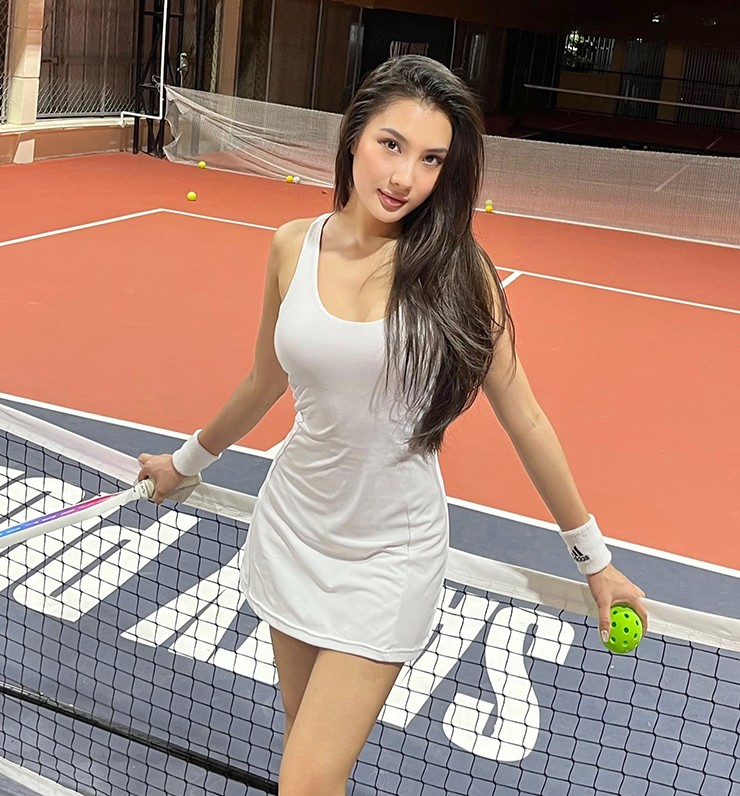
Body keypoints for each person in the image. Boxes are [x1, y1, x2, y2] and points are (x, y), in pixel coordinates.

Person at [138, 55, 647, 796]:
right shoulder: (291, 246)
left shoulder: (459, 270)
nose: (406, 176)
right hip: (292, 530)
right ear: (354, 136)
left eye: (431, 159)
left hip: (388, 557)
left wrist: (594, 560)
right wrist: (184, 463)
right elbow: (263, 381)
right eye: (391, 144)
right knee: (308, 755)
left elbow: (526, 418)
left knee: (306, 779)